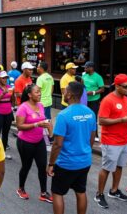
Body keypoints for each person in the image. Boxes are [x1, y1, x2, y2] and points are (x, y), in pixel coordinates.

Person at [47, 82, 96, 214]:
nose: (63, 93)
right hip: (84, 161)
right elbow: (92, 139)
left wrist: (51, 164)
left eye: (65, 91)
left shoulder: (63, 115)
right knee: (81, 192)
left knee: (57, 193)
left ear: (70, 94)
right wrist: (85, 152)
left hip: (66, 163)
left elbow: (57, 144)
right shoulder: (90, 112)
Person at [94, 74, 127, 209]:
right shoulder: (108, 100)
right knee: (106, 168)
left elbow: (123, 116)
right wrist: (122, 120)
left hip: (123, 139)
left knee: (119, 166)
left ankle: (114, 190)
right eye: (125, 87)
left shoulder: (125, 99)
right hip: (110, 140)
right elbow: (101, 120)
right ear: (117, 86)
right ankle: (99, 194)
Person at [16, 84, 53, 203]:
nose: (39, 94)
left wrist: (49, 130)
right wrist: (36, 125)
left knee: (42, 167)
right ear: (30, 95)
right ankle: (21, 189)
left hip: (39, 141)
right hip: (25, 143)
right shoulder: (23, 107)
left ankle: (43, 193)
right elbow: (19, 126)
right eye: (37, 92)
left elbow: (44, 120)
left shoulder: (41, 105)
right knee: (26, 167)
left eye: (40, 92)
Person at [0, 71, 14, 160]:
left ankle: (3, 152)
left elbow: (11, 100)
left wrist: (13, 94)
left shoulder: (9, 87)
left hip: (8, 113)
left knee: (6, 133)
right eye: (3, 78)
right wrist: (2, 94)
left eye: (6, 78)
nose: (5, 79)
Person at [82, 61, 104, 139]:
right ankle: (86, 133)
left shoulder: (98, 77)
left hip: (94, 100)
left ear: (91, 68)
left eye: (86, 67)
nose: (85, 69)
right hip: (84, 100)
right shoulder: (84, 75)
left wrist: (93, 92)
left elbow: (102, 89)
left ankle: (95, 135)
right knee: (84, 117)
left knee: (93, 117)